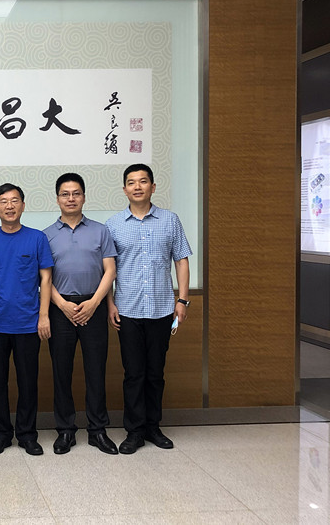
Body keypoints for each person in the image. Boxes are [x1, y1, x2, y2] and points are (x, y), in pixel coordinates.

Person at [106, 163, 192, 454]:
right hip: (127, 310)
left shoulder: (170, 220)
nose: (138, 187)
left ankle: (153, 427)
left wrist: (182, 300)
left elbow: (181, 260)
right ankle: (134, 431)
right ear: (124, 189)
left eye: (143, 181)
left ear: (153, 187)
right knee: (133, 373)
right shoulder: (113, 225)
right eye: (132, 182)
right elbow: (108, 270)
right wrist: (109, 304)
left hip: (161, 310)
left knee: (156, 372)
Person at [0, 183, 53, 456]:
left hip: (28, 323)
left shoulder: (37, 238)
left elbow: (46, 279)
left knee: (28, 382)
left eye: (15, 200)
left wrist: (44, 316)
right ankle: (1, 435)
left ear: (23, 205)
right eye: (4, 201)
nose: (9, 206)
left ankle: (28, 435)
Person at [44, 173, 118, 455]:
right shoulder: (46, 235)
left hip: (94, 307)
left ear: (84, 197)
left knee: (96, 371)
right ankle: (65, 430)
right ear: (57, 199)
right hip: (60, 308)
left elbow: (110, 270)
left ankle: (98, 430)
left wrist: (95, 303)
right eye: (65, 194)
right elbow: (43, 278)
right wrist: (62, 304)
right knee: (61, 372)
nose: (71, 198)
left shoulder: (101, 231)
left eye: (76, 193)